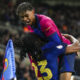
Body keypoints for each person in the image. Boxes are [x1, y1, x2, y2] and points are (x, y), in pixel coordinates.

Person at [16, 2, 80, 80]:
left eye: (26, 16)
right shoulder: (30, 26)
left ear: (33, 12)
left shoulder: (45, 22)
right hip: (51, 52)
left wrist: (41, 50)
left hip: (64, 49)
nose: (25, 19)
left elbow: (57, 43)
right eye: (22, 17)